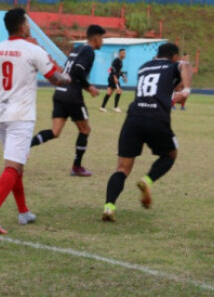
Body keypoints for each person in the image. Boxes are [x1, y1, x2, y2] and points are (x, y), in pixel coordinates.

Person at [0, 8, 71, 234]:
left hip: (0, 114)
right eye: (27, 23)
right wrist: (68, 78)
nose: (29, 26)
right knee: (13, 165)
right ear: (23, 26)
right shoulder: (33, 50)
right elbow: (56, 79)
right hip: (21, 116)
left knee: (16, 163)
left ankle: (23, 211)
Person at [102, 42, 192, 222]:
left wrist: (173, 92)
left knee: (122, 168)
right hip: (156, 119)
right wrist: (186, 89)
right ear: (175, 57)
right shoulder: (173, 65)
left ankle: (109, 207)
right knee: (170, 155)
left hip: (133, 118)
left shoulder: (144, 67)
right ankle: (147, 180)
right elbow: (186, 66)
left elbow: (158, 88)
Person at [30, 25, 105, 177]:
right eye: (102, 38)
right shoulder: (88, 51)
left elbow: (68, 70)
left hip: (60, 92)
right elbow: (77, 71)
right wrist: (89, 87)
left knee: (55, 132)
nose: (102, 41)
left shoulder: (77, 49)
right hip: (72, 95)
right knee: (85, 130)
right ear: (96, 38)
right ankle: (77, 167)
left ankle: (24, 146)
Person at [100, 48, 127, 112]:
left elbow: (119, 71)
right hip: (113, 79)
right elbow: (112, 69)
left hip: (112, 78)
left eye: (125, 53)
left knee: (109, 93)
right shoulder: (116, 60)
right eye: (123, 53)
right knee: (119, 91)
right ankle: (115, 107)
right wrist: (115, 77)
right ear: (119, 53)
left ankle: (102, 107)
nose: (124, 54)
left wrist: (123, 76)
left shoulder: (120, 61)